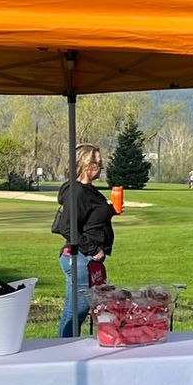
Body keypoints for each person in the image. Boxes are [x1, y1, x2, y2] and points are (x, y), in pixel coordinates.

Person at [51, 144, 114, 339]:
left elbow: (89, 217)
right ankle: (66, 350)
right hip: (81, 257)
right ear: (84, 164)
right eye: (97, 162)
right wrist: (93, 249)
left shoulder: (88, 190)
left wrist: (111, 210)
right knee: (77, 309)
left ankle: (67, 347)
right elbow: (68, 227)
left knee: (78, 308)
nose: (101, 166)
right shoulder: (76, 191)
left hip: (87, 259)